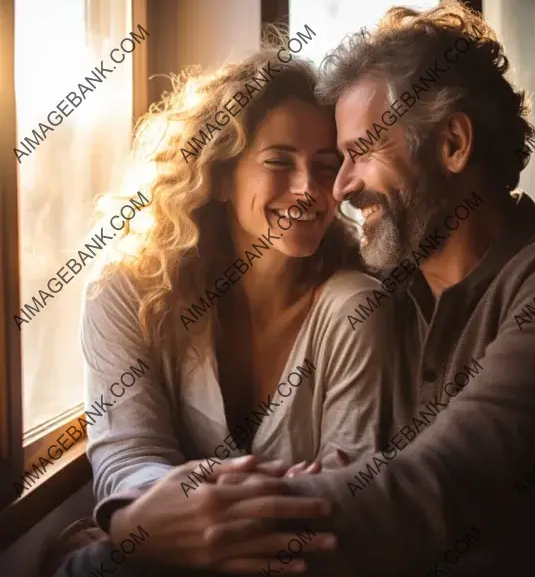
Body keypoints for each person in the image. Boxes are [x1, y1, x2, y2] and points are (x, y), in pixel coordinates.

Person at [110, 0, 535, 577]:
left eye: (358, 154)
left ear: (452, 145)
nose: (336, 189)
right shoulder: (391, 291)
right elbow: (346, 471)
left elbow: (437, 486)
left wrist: (151, 537)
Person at [51, 44, 400, 576]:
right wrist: (147, 522)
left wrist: (143, 533)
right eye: (279, 162)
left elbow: (342, 502)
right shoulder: (124, 291)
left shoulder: (356, 309)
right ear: (217, 176)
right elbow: (127, 456)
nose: (308, 189)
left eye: (325, 167)